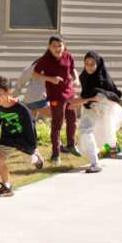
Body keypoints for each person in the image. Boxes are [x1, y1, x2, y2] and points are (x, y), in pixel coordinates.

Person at [0, 75, 43, 197]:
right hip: (7, 139)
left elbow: (30, 128)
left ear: (8, 92)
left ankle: (38, 158)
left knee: (31, 160)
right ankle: (6, 187)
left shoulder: (21, 109)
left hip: (23, 140)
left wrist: (32, 149)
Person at [71, 52, 122, 173]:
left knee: (90, 130)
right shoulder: (84, 76)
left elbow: (100, 97)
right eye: (86, 64)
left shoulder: (103, 79)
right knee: (100, 132)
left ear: (98, 64)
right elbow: (86, 93)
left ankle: (95, 163)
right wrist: (80, 101)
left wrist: (80, 101)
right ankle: (110, 151)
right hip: (89, 108)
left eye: (92, 64)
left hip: (101, 108)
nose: (89, 67)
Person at [32, 35, 79, 164]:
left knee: (72, 119)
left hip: (69, 92)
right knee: (57, 123)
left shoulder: (68, 56)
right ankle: (56, 154)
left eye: (60, 46)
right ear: (49, 47)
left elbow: (73, 69)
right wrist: (51, 79)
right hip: (56, 95)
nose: (57, 48)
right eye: (54, 46)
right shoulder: (45, 59)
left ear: (64, 46)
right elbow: (35, 74)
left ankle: (71, 144)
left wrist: (77, 79)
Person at [14, 57, 49, 123]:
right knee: (56, 114)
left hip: (38, 97)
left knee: (31, 120)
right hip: (36, 97)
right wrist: (16, 92)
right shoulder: (39, 65)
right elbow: (24, 76)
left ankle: (27, 131)